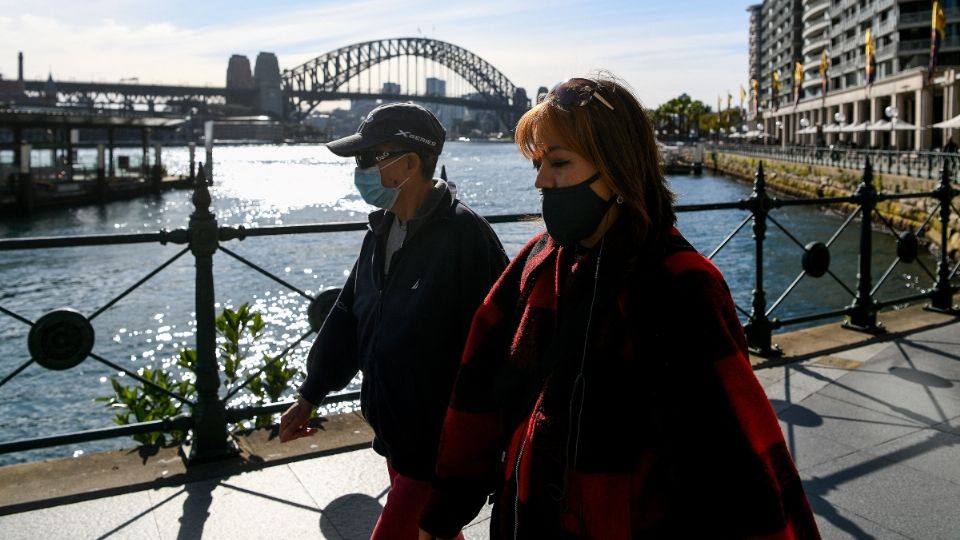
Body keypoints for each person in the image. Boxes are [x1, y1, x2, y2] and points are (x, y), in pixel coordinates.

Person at [418, 75, 821, 539]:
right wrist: (443, 513)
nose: (541, 180)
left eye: (559, 162)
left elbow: (729, 468)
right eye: (538, 163)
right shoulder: (536, 262)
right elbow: (479, 394)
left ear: (618, 168)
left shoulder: (678, 288)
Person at [279, 102, 508, 539]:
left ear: (409, 162)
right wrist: (311, 393)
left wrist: (473, 462)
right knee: (434, 532)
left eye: (368, 157)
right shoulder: (381, 231)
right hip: (395, 432)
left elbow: (493, 354)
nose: (358, 169)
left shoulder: (467, 240)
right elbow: (348, 316)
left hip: (437, 446)